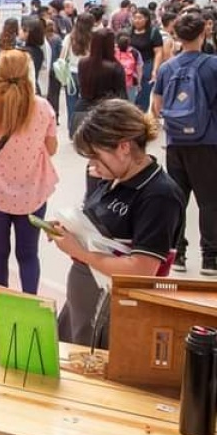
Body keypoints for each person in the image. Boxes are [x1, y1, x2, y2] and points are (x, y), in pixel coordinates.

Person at [53, 99, 184, 348]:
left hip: (115, 313)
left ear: (124, 147)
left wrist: (79, 252)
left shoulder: (159, 195)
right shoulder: (112, 176)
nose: (92, 165)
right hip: (85, 304)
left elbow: (141, 270)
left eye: (96, 156)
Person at [0, 50, 58, 294]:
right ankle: (30, 303)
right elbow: (52, 148)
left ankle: (2, 300)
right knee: (28, 255)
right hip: (33, 193)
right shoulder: (43, 107)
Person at [152, 10, 217, 275]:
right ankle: (210, 259)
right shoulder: (213, 65)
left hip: (176, 143)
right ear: (204, 32)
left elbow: (157, 107)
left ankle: (176, 254)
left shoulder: (168, 67)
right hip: (208, 142)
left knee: (177, 199)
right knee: (210, 202)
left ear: (176, 36)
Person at [71, 28, 127, 135]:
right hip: (107, 113)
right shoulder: (114, 67)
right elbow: (122, 95)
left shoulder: (82, 63)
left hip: (83, 109)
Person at [59, 12, 95, 137]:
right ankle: (85, 130)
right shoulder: (94, 38)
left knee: (71, 103)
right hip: (89, 73)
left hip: (72, 74)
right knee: (88, 103)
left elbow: (62, 56)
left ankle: (72, 130)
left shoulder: (70, 37)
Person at [131, 6, 164, 112]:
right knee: (131, 95)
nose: (137, 20)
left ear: (146, 19)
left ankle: (141, 115)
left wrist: (155, 70)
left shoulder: (153, 32)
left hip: (147, 66)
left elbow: (158, 52)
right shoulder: (128, 32)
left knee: (144, 94)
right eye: (135, 18)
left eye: (140, 18)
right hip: (131, 68)